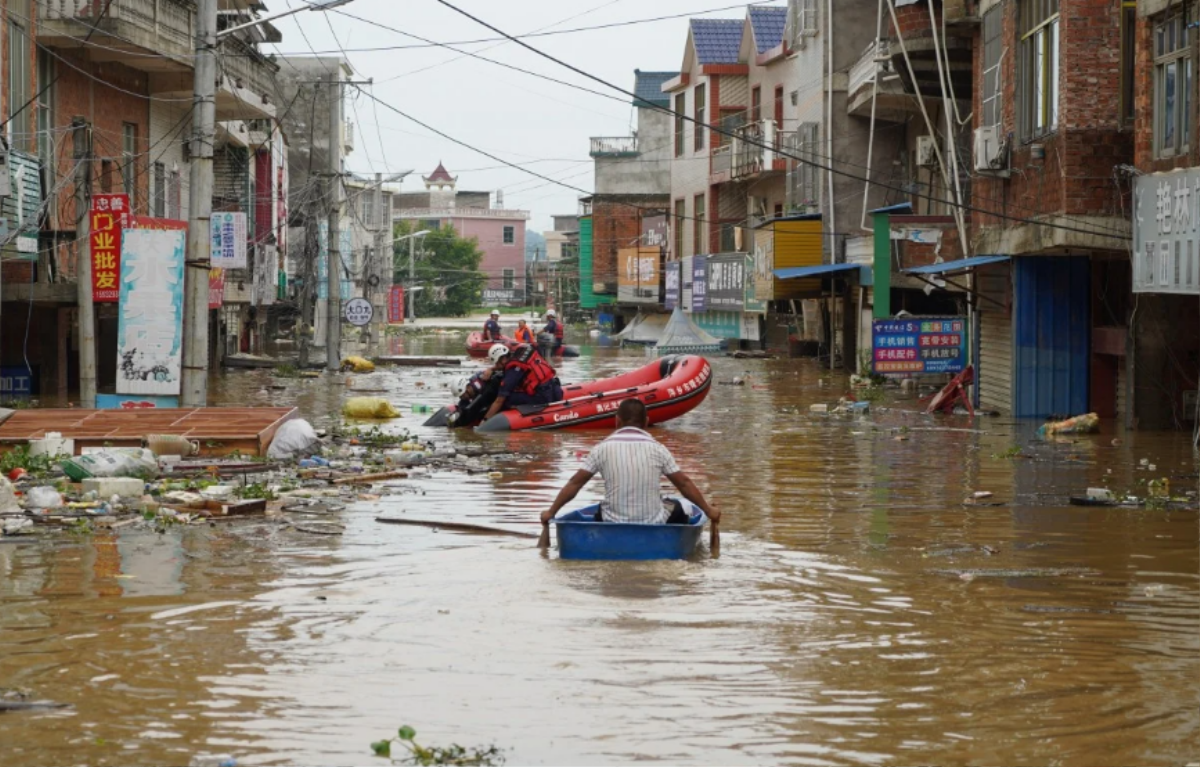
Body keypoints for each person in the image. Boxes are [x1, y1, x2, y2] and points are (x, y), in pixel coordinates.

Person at [539, 398, 720, 529]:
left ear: (617, 421)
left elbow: (575, 483)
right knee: (681, 508)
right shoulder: (658, 449)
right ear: (647, 422)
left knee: (601, 510)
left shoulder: (601, 449)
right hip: (653, 523)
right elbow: (684, 483)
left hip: (611, 523)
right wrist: (708, 510)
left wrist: (551, 512)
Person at [482, 343, 563, 421]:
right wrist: (492, 369)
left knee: (507, 398)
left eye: (496, 363)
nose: (497, 366)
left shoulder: (512, 372)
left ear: (502, 360)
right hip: (555, 390)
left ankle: (516, 414)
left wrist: (485, 420)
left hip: (544, 398)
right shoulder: (522, 354)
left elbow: (499, 401)